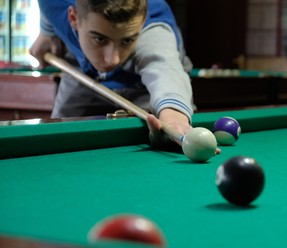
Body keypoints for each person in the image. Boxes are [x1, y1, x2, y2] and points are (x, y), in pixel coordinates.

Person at [29, 0, 194, 148]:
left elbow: (165, 70)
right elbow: (48, 9)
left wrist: (173, 118)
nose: (113, 60)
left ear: (142, 22)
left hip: (144, 88)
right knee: (57, 139)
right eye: (100, 39)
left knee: (158, 136)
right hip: (85, 76)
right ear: (73, 18)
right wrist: (47, 32)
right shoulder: (54, 3)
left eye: (127, 40)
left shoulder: (153, 34)